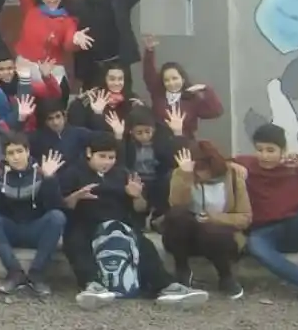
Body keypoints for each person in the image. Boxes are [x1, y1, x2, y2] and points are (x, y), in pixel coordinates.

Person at [60, 132, 207, 309]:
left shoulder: (123, 174)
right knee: (76, 242)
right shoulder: (73, 173)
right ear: (89, 153)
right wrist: (76, 197)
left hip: (119, 222)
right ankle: (92, 286)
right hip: (86, 222)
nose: (107, 162)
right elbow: (64, 206)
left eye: (111, 157)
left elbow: (140, 208)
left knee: (144, 244)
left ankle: (165, 286)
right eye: (102, 156)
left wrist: (136, 195)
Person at [0, 134, 67, 296]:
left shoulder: (41, 172)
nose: (16, 157)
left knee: (57, 217)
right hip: (11, 230)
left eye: (20, 151)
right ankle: (14, 272)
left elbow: (54, 205)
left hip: (36, 229)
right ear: (5, 156)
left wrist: (50, 178)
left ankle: (37, 274)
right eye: (11, 153)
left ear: (28, 152)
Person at [162, 141, 251, 300]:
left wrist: (215, 218)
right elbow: (176, 204)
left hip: (220, 237)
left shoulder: (232, 176)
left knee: (211, 230)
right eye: (197, 170)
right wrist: (186, 176)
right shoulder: (182, 174)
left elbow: (245, 217)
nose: (201, 174)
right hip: (187, 236)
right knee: (177, 216)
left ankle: (226, 277)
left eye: (204, 169)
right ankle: (182, 270)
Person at [231, 123, 298, 297]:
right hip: (264, 232)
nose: (264, 156)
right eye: (259, 150)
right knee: (255, 245)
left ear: (283, 150)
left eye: (271, 150)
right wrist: (231, 166)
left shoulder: (295, 167)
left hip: (295, 227)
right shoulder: (247, 163)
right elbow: (215, 160)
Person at [140, 35, 224, 140]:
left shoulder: (192, 98)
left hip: (185, 144)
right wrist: (149, 50)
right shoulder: (159, 94)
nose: (171, 83)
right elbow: (149, 73)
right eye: (167, 80)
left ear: (183, 79)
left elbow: (216, 111)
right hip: (161, 143)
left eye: (175, 78)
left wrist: (206, 89)